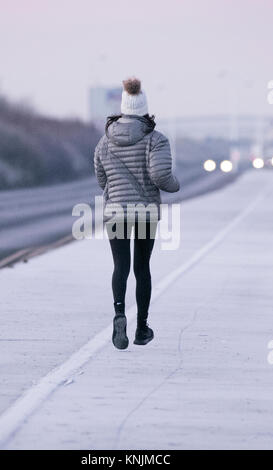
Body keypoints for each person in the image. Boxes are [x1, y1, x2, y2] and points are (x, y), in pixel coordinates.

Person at [94, 77, 180, 350]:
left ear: (122, 107)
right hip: (144, 213)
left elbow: (100, 178)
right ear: (144, 108)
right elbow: (160, 175)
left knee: (120, 266)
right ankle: (142, 328)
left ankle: (119, 314)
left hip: (116, 211)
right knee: (142, 268)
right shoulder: (156, 139)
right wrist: (174, 185)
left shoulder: (104, 141)